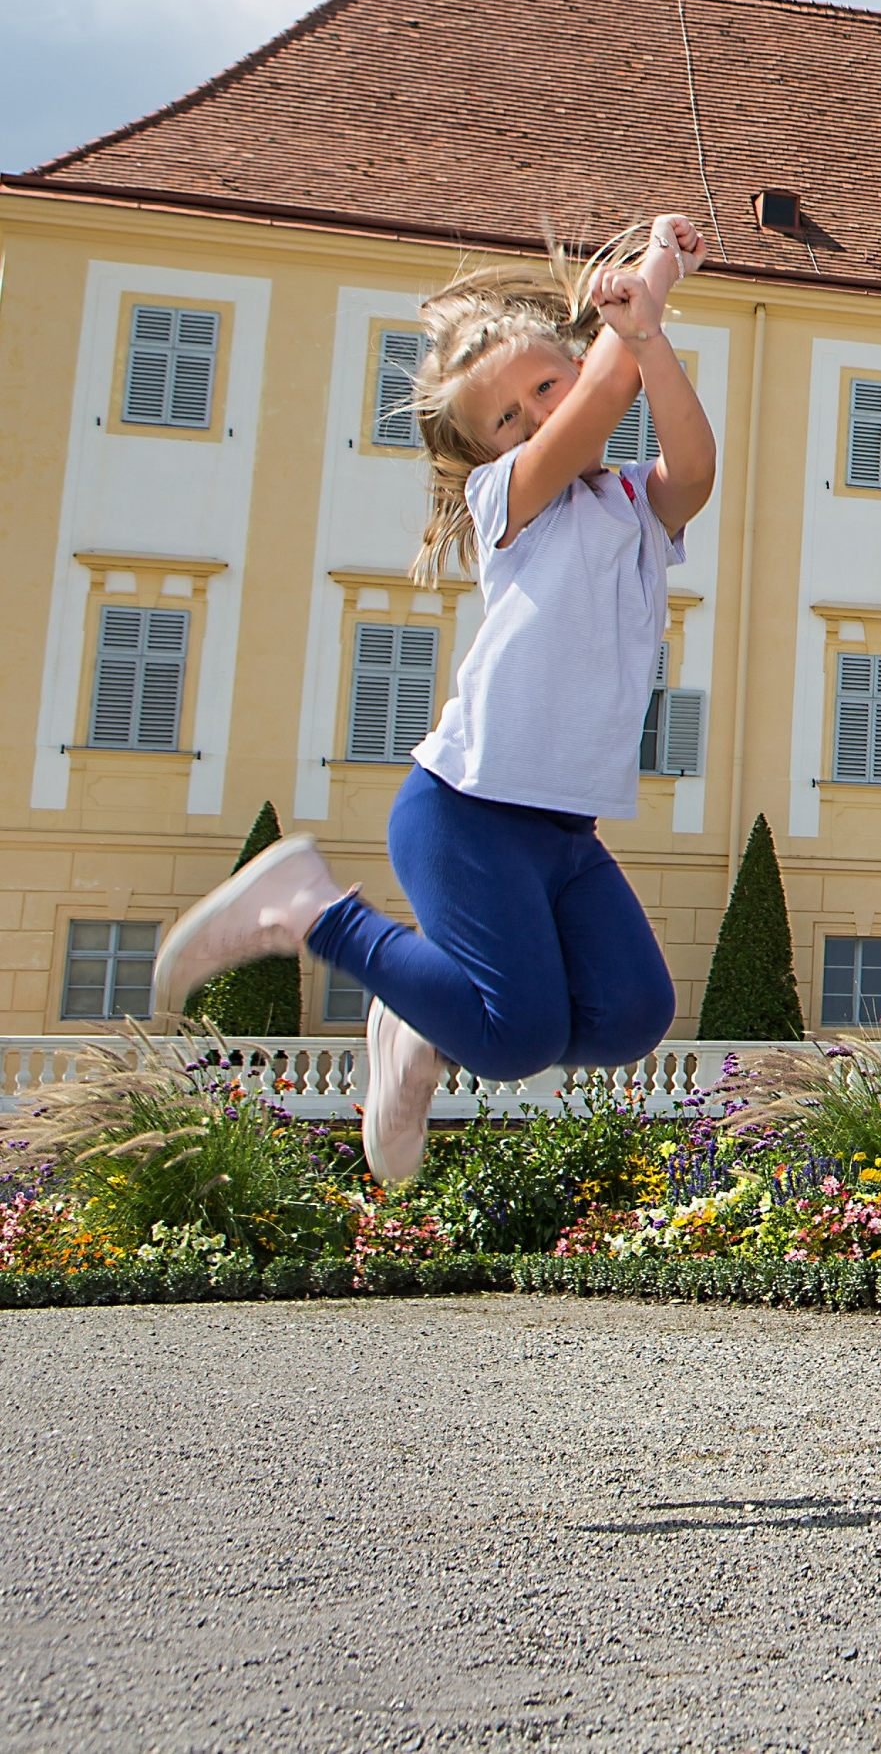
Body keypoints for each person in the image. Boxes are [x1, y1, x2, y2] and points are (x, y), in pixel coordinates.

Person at [153, 218, 712, 1186]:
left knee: (633, 1013)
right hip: (467, 813)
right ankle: (313, 908)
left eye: (545, 386)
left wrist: (650, 325)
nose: (537, 417)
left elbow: (693, 468)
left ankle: (423, 1017)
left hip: (563, 829)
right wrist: (656, 274)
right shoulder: (513, 501)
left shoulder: (629, 505)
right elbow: (606, 386)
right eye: (509, 415)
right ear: (485, 452)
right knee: (515, 1036)